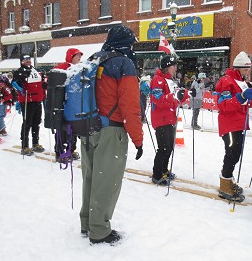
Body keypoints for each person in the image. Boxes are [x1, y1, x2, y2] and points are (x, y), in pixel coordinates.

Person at [79, 25, 143, 245]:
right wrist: (138, 139)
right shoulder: (124, 64)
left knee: (89, 177)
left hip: (88, 128)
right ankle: (99, 231)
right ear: (126, 44)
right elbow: (130, 107)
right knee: (106, 181)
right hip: (111, 130)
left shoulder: (94, 59)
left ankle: (87, 223)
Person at [215, 51, 252, 202]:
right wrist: (241, 97)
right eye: (246, 70)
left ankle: (228, 180)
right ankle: (224, 184)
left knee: (236, 153)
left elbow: (248, 102)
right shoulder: (227, 81)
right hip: (229, 124)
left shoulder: (242, 82)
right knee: (231, 153)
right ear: (238, 68)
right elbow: (223, 105)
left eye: (248, 69)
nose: (248, 72)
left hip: (239, 123)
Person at [150, 55, 190, 185]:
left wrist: (185, 94)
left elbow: (176, 99)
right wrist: (174, 96)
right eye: (173, 66)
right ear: (167, 67)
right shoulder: (158, 80)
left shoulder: (170, 80)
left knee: (169, 147)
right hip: (161, 119)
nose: (175, 68)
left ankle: (163, 169)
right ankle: (157, 174)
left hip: (170, 118)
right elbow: (159, 99)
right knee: (164, 148)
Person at [12, 54, 46, 156]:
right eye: (25, 60)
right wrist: (20, 83)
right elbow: (14, 83)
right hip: (27, 100)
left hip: (37, 100)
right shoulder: (19, 71)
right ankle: (25, 145)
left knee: (36, 122)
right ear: (21, 61)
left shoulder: (35, 70)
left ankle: (35, 143)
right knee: (27, 123)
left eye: (29, 59)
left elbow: (42, 81)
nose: (28, 61)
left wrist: (44, 84)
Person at [53, 48, 83, 162]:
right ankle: (60, 152)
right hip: (62, 105)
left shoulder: (79, 69)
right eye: (77, 55)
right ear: (71, 56)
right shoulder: (62, 67)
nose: (79, 58)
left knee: (73, 129)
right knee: (62, 130)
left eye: (80, 56)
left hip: (74, 105)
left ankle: (71, 150)